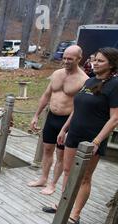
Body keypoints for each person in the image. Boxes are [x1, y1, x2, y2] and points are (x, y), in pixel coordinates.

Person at [49, 47, 118, 224]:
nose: (94, 63)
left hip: (92, 139)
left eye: (100, 61)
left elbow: (115, 118)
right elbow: (77, 109)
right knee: (67, 171)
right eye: (94, 59)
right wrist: (64, 129)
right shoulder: (90, 81)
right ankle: (63, 205)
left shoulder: (115, 85)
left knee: (84, 177)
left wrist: (97, 141)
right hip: (74, 134)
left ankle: (75, 214)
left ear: (112, 64)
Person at [28, 45, 89, 195]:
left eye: (70, 59)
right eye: (64, 58)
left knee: (60, 154)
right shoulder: (57, 74)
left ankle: (52, 184)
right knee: (47, 149)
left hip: (67, 121)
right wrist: (36, 115)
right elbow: (46, 95)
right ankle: (43, 178)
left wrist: (68, 128)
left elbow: (79, 107)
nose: (66, 61)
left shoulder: (84, 80)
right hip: (51, 117)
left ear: (79, 59)